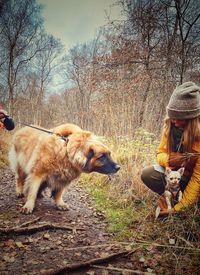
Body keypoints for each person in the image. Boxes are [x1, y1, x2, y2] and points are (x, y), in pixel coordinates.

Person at [141, 82, 200, 216]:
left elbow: (198, 179)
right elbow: (160, 153)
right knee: (147, 174)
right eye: (174, 118)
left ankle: (185, 203)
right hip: (176, 176)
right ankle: (172, 197)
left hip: (194, 180)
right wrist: (169, 160)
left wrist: (178, 209)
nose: (176, 123)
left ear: (193, 119)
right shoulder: (169, 125)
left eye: (182, 120)